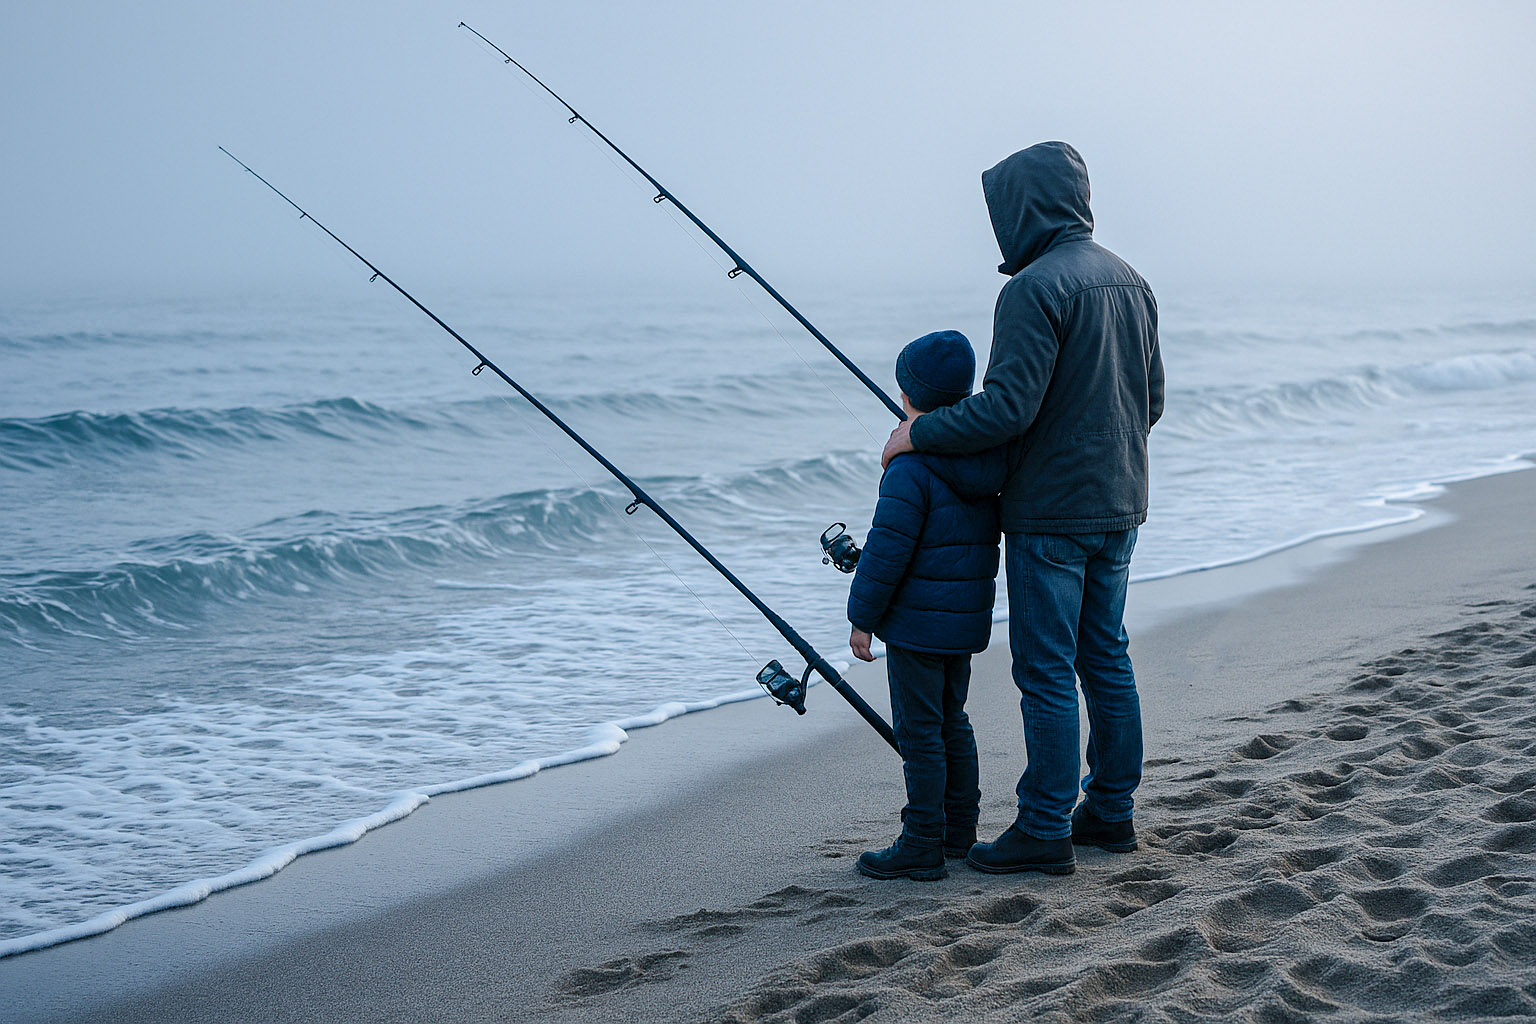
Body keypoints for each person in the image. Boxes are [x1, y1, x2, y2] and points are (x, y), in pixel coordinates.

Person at [881, 141, 1163, 876]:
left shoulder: (1033, 289)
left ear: (1022, 208)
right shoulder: (1132, 281)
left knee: (1046, 669)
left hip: (1050, 518)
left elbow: (1006, 410)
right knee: (1107, 658)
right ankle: (1110, 813)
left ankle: (1044, 827)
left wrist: (917, 435)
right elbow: (1150, 402)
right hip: (1122, 501)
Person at [847, 329, 1006, 881]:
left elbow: (887, 551)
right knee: (952, 721)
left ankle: (921, 842)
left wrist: (862, 618)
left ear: (909, 397)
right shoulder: (986, 461)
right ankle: (960, 831)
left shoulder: (910, 467)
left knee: (919, 733)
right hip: (963, 621)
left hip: (915, 626)